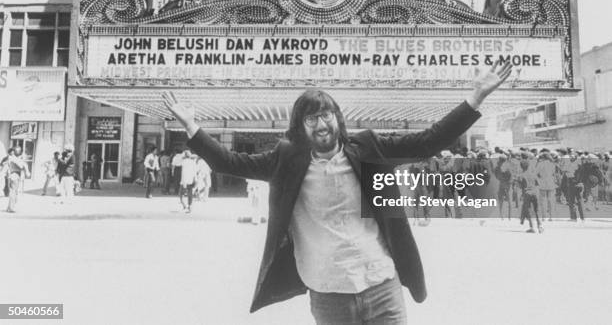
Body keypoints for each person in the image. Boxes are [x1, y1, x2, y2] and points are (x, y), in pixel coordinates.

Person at [164, 60, 511, 322]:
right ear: (301, 127)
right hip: (328, 294)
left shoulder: (369, 147)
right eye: (311, 118)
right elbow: (229, 162)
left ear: (338, 118)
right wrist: (192, 127)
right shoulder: (286, 159)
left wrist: (475, 97)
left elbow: (428, 141)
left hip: (381, 284)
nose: (321, 123)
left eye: (326, 114)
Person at [6, 147, 30, 212]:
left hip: (16, 175)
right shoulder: (12, 158)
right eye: (15, 151)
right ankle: (11, 208)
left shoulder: (14, 158)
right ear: (11, 152)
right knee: (13, 192)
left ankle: (9, 207)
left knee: (14, 192)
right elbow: (21, 165)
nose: (16, 153)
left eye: (18, 151)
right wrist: (23, 162)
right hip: (14, 175)